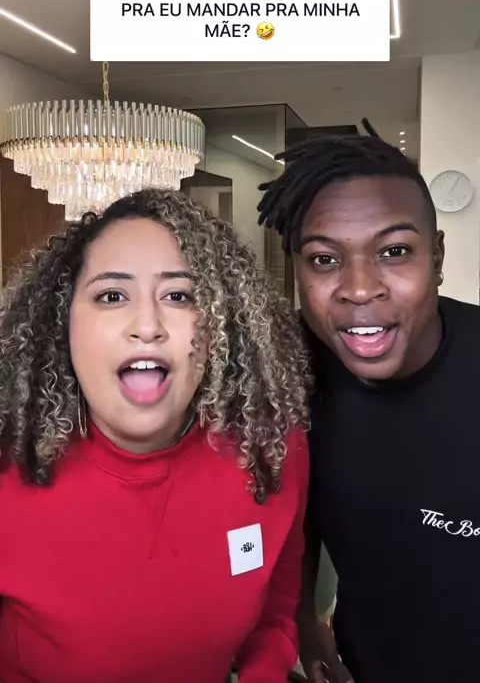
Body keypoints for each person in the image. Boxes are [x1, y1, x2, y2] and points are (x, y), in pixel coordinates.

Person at [0, 188, 311, 683]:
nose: (147, 326)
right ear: (61, 324)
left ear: (221, 325)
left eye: (179, 296)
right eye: (111, 296)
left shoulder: (268, 446)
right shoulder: (9, 462)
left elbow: (276, 607)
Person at [258, 124, 480, 683]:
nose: (359, 289)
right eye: (324, 260)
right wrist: (303, 618)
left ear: (437, 256)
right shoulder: (287, 371)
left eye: (394, 251)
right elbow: (295, 510)